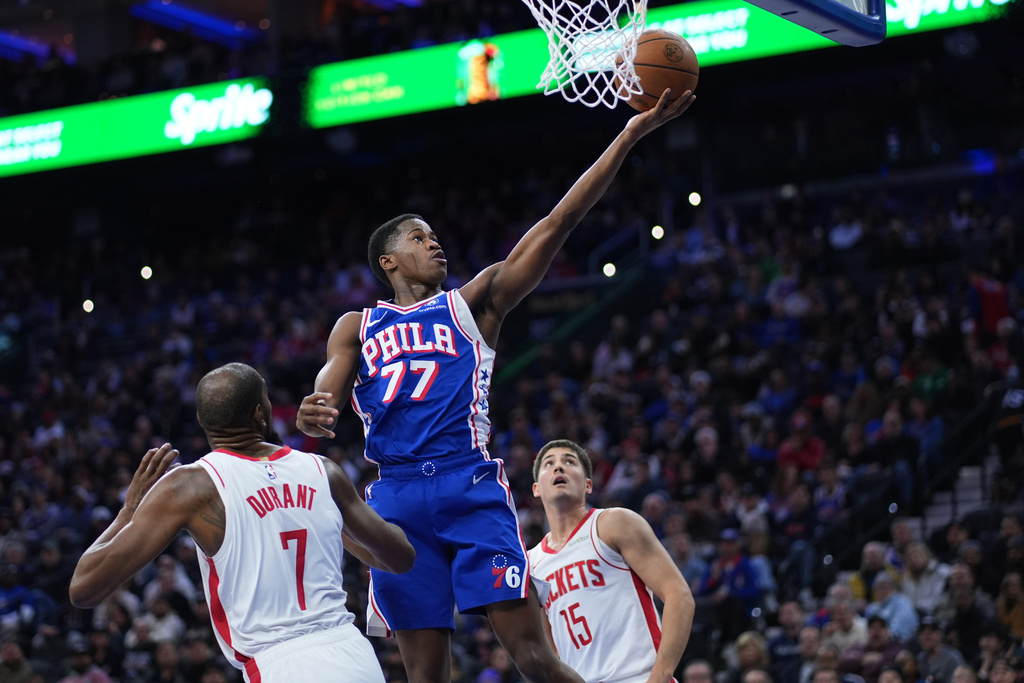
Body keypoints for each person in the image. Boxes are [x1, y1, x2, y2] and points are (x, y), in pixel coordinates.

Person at [295, 89, 696, 682]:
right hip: (397, 497)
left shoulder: (473, 303)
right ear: (388, 260)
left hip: (469, 482)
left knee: (534, 659)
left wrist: (630, 135)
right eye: (418, 237)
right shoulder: (358, 324)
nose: (435, 243)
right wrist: (319, 402)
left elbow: (559, 222)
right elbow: (331, 376)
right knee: (425, 676)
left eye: (435, 236)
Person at [70, 362, 416, 683]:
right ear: (259, 413)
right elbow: (401, 558)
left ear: (201, 419)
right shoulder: (323, 471)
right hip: (354, 655)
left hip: (281, 665)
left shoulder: (192, 486)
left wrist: (128, 511)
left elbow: (84, 588)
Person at [527, 439, 695, 683]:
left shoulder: (613, 523)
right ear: (536, 489)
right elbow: (548, 647)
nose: (558, 467)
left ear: (588, 485)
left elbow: (679, 595)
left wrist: (660, 676)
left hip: (638, 676)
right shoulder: (532, 562)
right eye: (549, 464)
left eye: (569, 462)